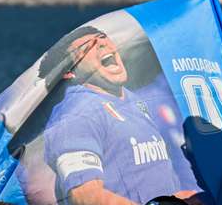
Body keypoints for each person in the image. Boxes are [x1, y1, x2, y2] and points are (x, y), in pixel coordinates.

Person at [38, 25, 204, 205]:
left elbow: (151, 184)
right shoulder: (76, 115)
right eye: (86, 47)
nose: (100, 44)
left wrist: (188, 199)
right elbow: (85, 197)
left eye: (102, 37)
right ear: (70, 72)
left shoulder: (133, 101)